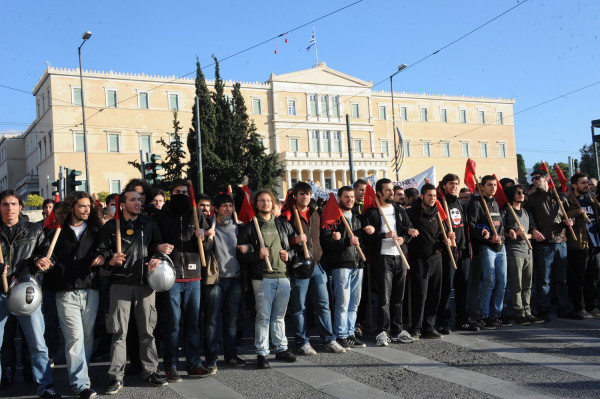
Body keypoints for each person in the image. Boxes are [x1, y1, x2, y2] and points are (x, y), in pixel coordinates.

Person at [97, 189, 169, 394]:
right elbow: (101, 251)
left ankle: (150, 371)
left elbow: (157, 247)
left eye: (139, 200)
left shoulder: (150, 224)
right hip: (119, 284)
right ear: (122, 204)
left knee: (148, 330)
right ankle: (115, 377)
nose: (138, 203)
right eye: (133, 200)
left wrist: (158, 255)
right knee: (119, 332)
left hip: (145, 284)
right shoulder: (111, 226)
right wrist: (110, 257)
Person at [0, 190, 61, 398]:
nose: (10, 209)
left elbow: (48, 256)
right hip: (0, 292)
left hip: (26, 291)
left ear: (20, 207)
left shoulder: (33, 231)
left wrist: (43, 262)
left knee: (37, 343)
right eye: (5, 204)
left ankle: (45, 385)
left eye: (13, 204)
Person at [45, 192, 104, 398]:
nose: (87, 209)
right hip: (66, 291)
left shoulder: (96, 230)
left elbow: (106, 248)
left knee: (87, 337)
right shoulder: (57, 231)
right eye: (82, 206)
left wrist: (103, 256)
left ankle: (81, 375)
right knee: (74, 337)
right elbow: (47, 256)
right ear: (72, 208)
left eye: (89, 206)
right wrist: (48, 263)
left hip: (90, 288)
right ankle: (80, 384)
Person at [153, 179, 213, 381]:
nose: (181, 195)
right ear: (171, 193)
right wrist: (159, 247)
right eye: (177, 192)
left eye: (184, 192)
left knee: (193, 324)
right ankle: (170, 365)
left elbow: (207, 247)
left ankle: (194, 363)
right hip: (171, 277)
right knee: (172, 324)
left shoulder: (196, 214)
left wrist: (203, 237)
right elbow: (153, 242)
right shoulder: (161, 216)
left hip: (194, 277)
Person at [282, 182, 346, 355]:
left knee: (323, 304)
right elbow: (281, 242)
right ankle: (302, 342)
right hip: (298, 265)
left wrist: (334, 239)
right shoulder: (287, 216)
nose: (305, 197)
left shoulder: (315, 214)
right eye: (302, 194)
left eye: (308, 194)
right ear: (295, 196)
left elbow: (320, 238)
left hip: (317, 264)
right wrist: (295, 241)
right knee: (299, 307)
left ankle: (329, 340)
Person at [237, 190, 297, 369]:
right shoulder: (249, 228)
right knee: (263, 316)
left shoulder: (283, 225)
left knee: (279, 316)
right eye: (262, 201)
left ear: (273, 204)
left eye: (268, 201)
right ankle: (262, 353)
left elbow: (296, 248)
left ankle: (281, 348)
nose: (265, 204)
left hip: (283, 275)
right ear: (256, 204)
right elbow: (240, 256)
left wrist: (290, 255)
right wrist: (257, 255)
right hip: (262, 278)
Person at [364, 178, 416, 346]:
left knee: (398, 297)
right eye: (387, 190)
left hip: (399, 256)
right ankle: (383, 331)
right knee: (384, 298)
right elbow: (367, 238)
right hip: (383, 258)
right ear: (379, 193)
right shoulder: (372, 213)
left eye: (392, 190)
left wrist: (404, 238)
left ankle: (397, 329)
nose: (391, 193)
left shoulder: (399, 210)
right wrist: (382, 235)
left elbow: (408, 229)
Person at [525, 169, 580, 321]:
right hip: (544, 243)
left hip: (561, 241)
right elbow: (528, 218)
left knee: (562, 279)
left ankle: (564, 309)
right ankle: (543, 310)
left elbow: (569, 213)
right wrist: (534, 230)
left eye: (537, 178)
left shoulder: (560, 196)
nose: (534, 181)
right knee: (544, 280)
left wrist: (571, 221)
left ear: (546, 179)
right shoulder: (532, 199)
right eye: (533, 178)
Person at [321, 186, 369, 350]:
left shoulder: (358, 217)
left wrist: (370, 231)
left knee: (354, 302)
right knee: (343, 302)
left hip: (358, 263)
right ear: (339, 198)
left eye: (351, 197)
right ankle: (341, 334)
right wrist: (342, 241)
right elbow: (326, 242)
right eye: (346, 197)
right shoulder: (332, 217)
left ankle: (350, 333)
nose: (350, 200)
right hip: (341, 264)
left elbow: (364, 240)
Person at [203, 193, 247, 370]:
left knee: (231, 321)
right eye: (224, 206)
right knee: (212, 321)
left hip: (235, 280)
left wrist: (248, 247)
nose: (228, 209)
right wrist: (207, 237)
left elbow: (252, 246)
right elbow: (204, 251)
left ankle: (231, 354)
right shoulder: (209, 226)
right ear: (217, 209)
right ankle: (211, 358)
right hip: (216, 280)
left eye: (230, 206)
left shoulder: (239, 228)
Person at [406, 184, 452, 339]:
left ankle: (429, 326)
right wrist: (408, 231)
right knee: (420, 294)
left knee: (435, 294)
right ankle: (415, 327)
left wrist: (446, 240)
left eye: (434, 196)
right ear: (422, 196)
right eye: (429, 195)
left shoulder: (438, 213)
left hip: (436, 257)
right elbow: (404, 229)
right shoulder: (412, 213)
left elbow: (440, 234)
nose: (432, 198)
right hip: (419, 259)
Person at [436, 174, 478, 333]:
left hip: (464, 250)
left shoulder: (462, 203)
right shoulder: (440, 203)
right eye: (451, 184)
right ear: (444, 185)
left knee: (463, 287)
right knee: (446, 288)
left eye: (456, 184)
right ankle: (443, 321)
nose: (454, 186)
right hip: (448, 251)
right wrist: (445, 234)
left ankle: (463, 319)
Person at [467, 176, 509, 330]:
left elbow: (500, 226)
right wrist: (488, 237)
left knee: (502, 282)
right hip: (487, 248)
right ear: (482, 187)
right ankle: (483, 316)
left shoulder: (496, 203)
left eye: (494, 185)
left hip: (500, 247)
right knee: (489, 281)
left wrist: (501, 238)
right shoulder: (476, 203)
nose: (493, 188)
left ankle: (496, 314)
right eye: (489, 185)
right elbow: (472, 225)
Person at [502, 185, 543, 325]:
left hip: (528, 251)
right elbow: (502, 232)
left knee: (527, 284)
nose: (521, 195)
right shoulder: (506, 211)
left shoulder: (526, 212)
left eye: (522, 192)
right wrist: (512, 233)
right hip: (514, 252)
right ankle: (518, 312)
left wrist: (528, 235)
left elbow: (532, 232)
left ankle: (528, 311)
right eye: (517, 193)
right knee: (516, 284)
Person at [566, 173, 600, 318]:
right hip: (579, 244)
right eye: (583, 183)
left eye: (587, 183)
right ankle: (579, 307)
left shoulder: (591, 200)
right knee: (579, 277)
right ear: (574, 185)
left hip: (595, 243)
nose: (587, 185)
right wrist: (576, 212)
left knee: (594, 277)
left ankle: (591, 306)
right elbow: (563, 215)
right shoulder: (569, 200)